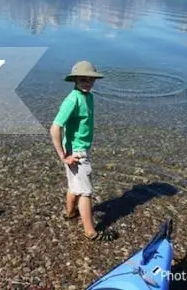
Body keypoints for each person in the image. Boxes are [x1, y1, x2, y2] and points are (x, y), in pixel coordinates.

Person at [50, 60, 117, 241]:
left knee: (74, 186)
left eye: (90, 80)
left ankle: (70, 213)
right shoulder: (72, 100)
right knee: (86, 192)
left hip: (78, 150)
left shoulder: (88, 96)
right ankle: (91, 232)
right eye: (83, 80)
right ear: (75, 80)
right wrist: (63, 156)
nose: (87, 83)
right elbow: (55, 128)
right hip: (76, 153)